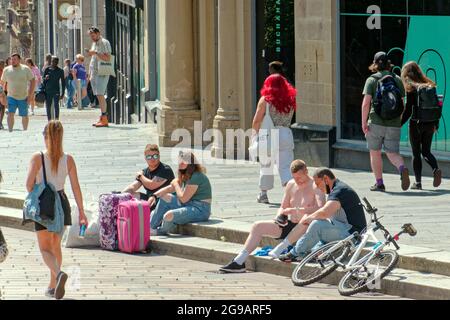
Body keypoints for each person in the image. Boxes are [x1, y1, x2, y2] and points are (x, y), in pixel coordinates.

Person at [219, 160, 326, 273]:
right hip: (290, 225)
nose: (297, 181)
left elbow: (322, 208)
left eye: (300, 177)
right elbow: (283, 206)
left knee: (306, 219)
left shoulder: (315, 185)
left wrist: (296, 209)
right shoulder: (291, 184)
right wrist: (280, 216)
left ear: (306, 171)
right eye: (295, 177)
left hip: (307, 229)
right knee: (257, 226)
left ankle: (281, 248)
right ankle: (239, 261)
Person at [25, 120, 88, 300]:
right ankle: (53, 286)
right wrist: (82, 212)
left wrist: (37, 189)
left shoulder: (37, 157)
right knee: (55, 246)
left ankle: (58, 275)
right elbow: (76, 187)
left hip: (45, 206)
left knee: (45, 248)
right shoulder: (68, 159)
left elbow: (28, 185)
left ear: (46, 137)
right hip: (62, 203)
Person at [277, 168, 367, 262]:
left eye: (318, 184)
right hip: (345, 230)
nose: (318, 187)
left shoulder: (340, 190)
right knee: (314, 249)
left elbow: (324, 213)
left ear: (326, 179)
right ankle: (307, 254)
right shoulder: (337, 189)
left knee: (317, 225)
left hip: (353, 234)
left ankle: (294, 253)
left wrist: (308, 218)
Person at [362, 52, 410, 192]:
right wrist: (398, 120)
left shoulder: (372, 80)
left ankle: (379, 183)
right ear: (389, 64)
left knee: (375, 152)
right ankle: (402, 169)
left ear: (375, 64)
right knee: (392, 153)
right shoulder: (397, 80)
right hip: (394, 123)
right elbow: (403, 104)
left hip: (375, 122)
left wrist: (364, 122)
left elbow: (366, 104)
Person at [253, 74, 297, 204]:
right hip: (286, 133)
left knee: (266, 165)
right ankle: (292, 195)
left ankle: (263, 194)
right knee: (285, 166)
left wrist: (254, 135)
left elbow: (257, 120)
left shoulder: (265, 100)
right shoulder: (291, 99)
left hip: (269, 134)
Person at [401, 61, 442, 190]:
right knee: (426, 151)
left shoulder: (411, 87)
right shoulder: (429, 85)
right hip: (430, 123)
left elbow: (408, 110)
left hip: (416, 124)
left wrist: (398, 124)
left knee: (416, 153)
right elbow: (437, 107)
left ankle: (418, 183)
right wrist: (436, 124)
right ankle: (435, 169)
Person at [150, 151, 212, 236]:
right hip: (189, 204)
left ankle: (161, 231)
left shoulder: (196, 176)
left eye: (184, 161)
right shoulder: (185, 174)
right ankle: (150, 228)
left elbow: (183, 198)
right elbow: (169, 188)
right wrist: (154, 196)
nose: (180, 163)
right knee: (164, 197)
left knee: (168, 215)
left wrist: (175, 184)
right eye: (179, 161)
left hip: (200, 209)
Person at [0, 53, 35, 132]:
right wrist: (2, 95)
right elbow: (2, 83)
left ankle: (25, 130)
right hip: (11, 96)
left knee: (24, 115)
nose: (13, 61)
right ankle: (10, 130)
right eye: (12, 59)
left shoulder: (25, 69)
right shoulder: (7, 70)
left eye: (15, 59)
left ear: (19, 60)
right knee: (10, 113)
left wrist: (30, 95)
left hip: (23, 96)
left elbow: (33, 81)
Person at [86, 26, 112, 127]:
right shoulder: (94, 43)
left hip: (102, 72)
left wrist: (96, 53)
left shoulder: (104, 42)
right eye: (90, 36)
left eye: (93, 35)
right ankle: (102, 117)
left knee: (100, 94)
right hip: (94, 73)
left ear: (98, 33)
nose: (92, 37)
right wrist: (89, 73)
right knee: (98, 95)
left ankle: (104, 118)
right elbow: (93, 59)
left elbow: (107, 57)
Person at [43, 56, 65, 121]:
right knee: (48, 106)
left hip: (56, 91)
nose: (54, 63)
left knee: (56, 105)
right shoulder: (47, 69)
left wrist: (63, 93)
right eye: (52, 61)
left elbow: (63, 82)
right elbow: (43, 80)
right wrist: (45, 78)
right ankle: (49, 120)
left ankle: (57, 119)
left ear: (57, 62)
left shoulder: (60, 71)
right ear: (51, 61)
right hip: (48, 91)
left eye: (55, 62)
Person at [0, 60, 6, 130]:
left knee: (3, 106)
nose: (3, 66)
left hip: (4, 90)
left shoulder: (5, 71)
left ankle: (0, 122)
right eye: (2, 64)